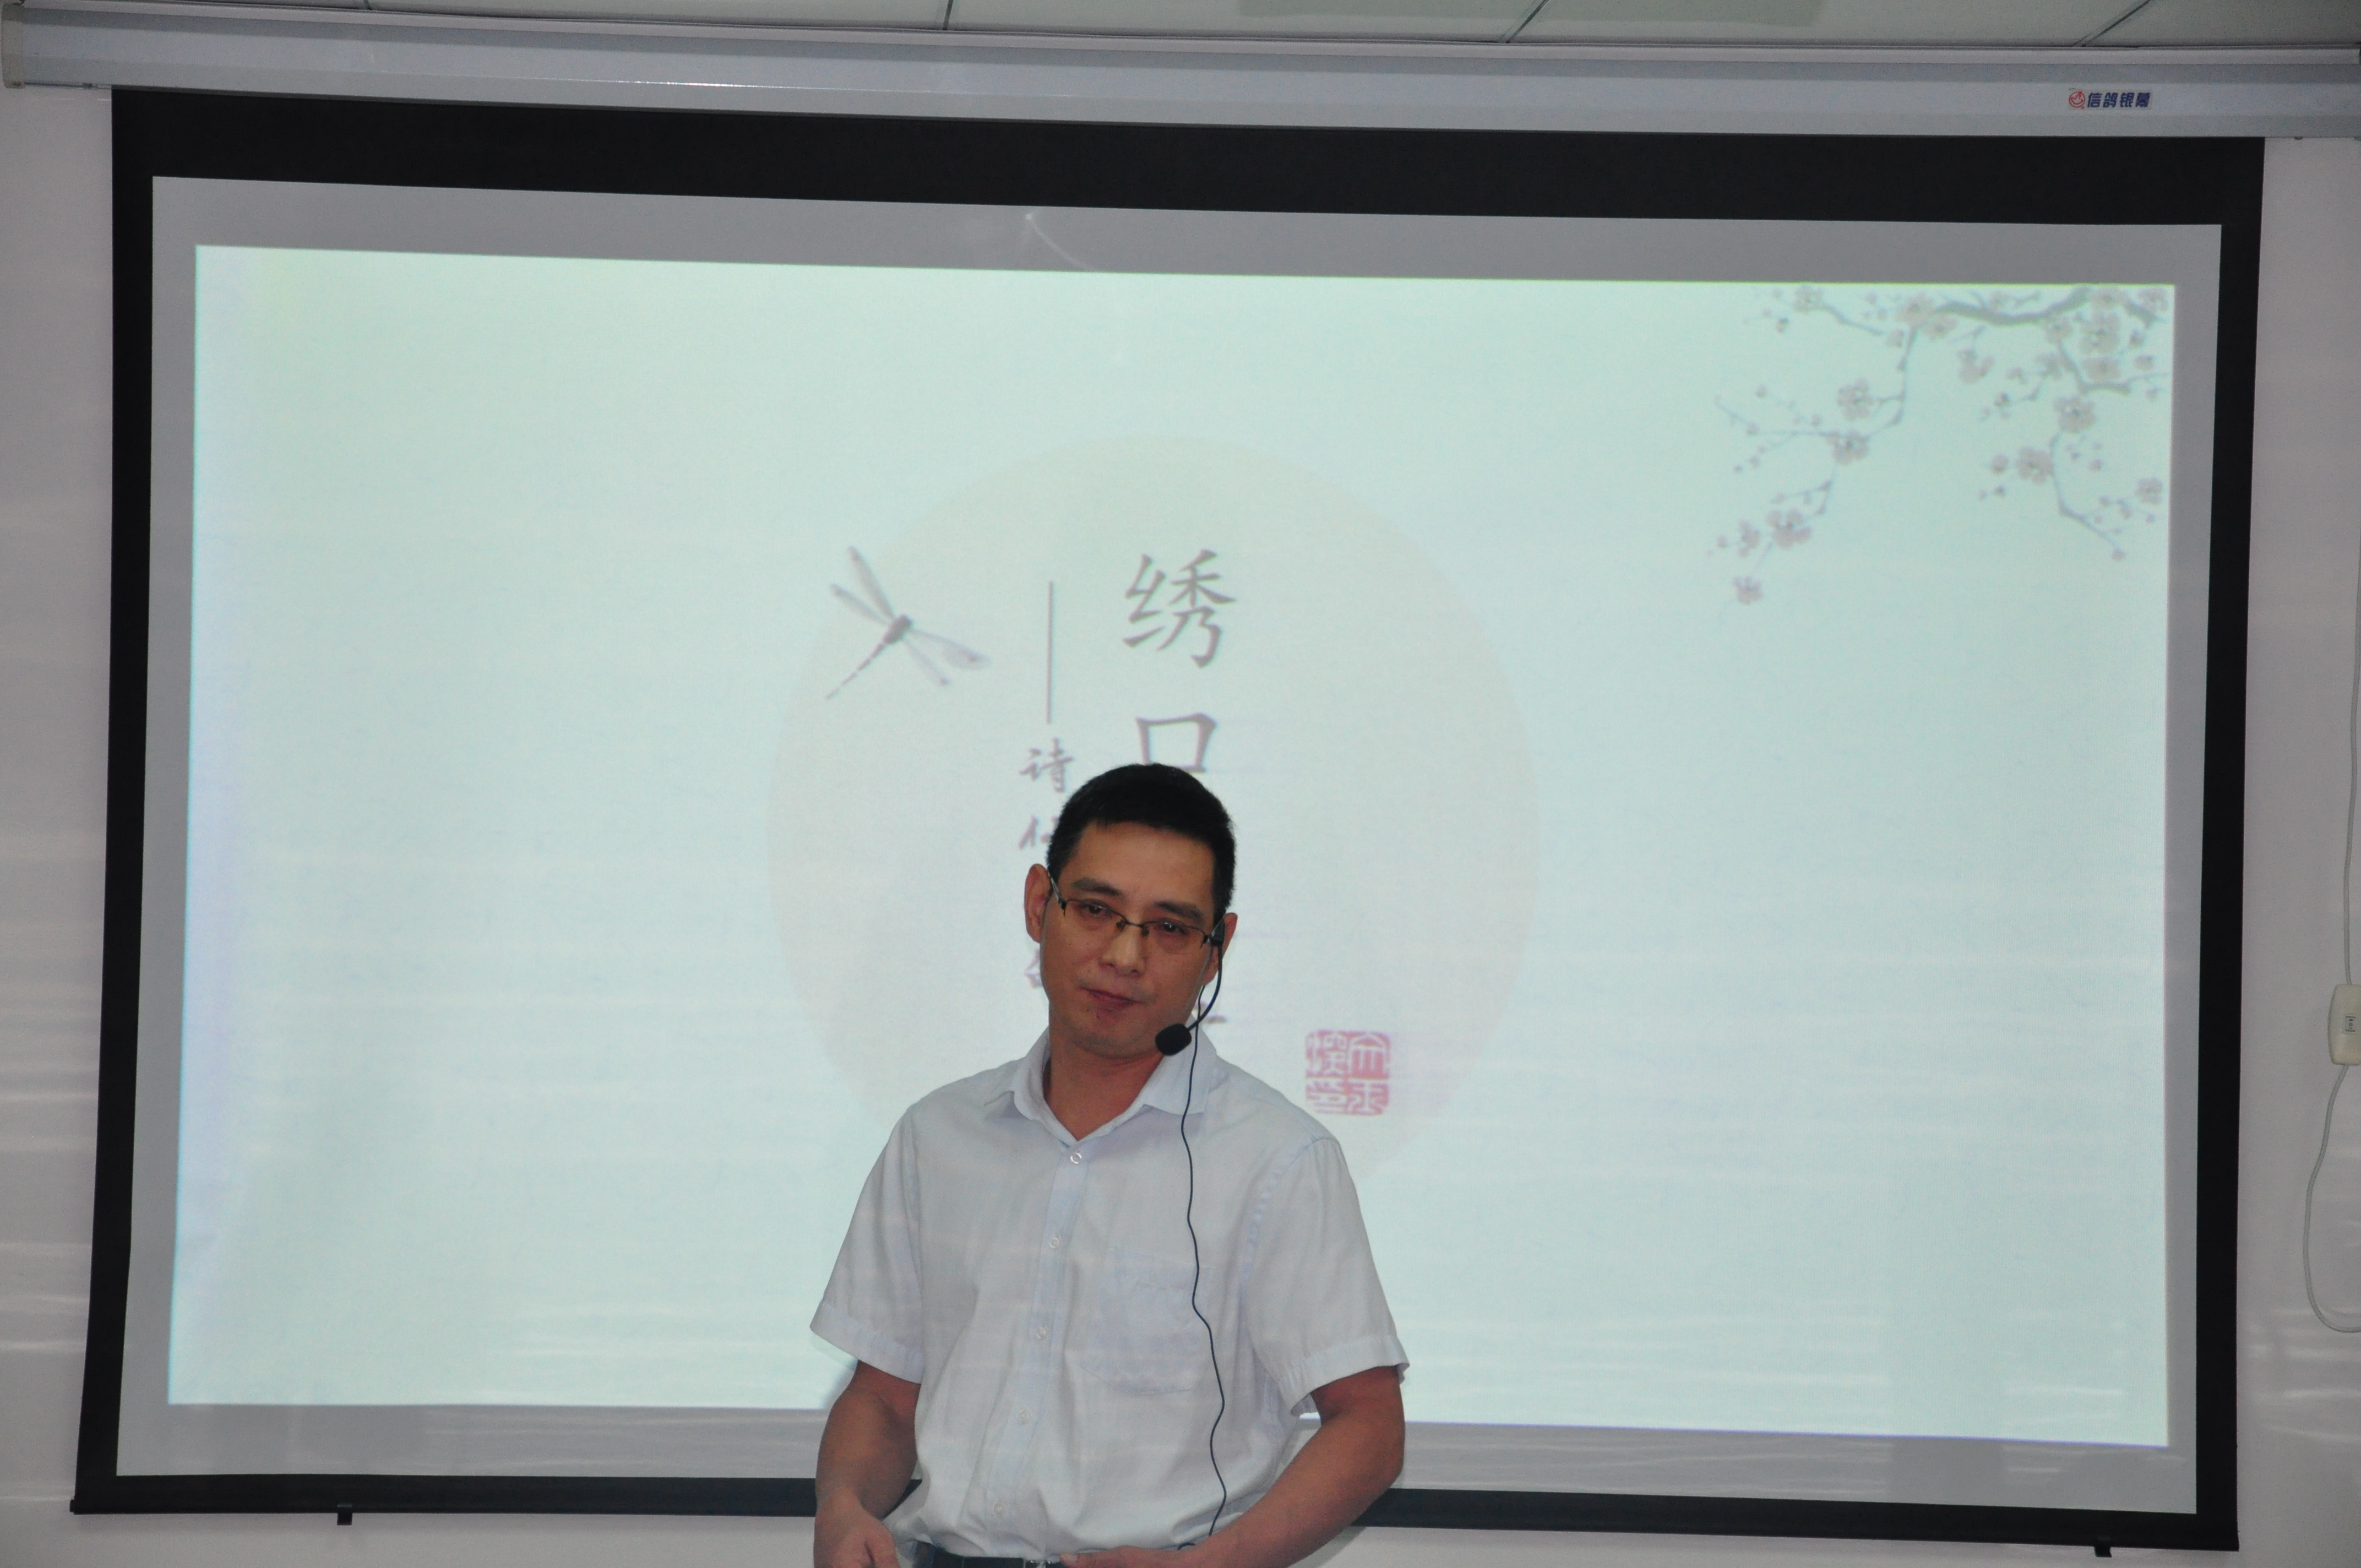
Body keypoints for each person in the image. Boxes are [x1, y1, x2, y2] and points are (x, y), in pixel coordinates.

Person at [811, 764, 1406, 1568]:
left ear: (1217, 949)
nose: (1125, 955)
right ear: (1039, 904)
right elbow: (884, 1397)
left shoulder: (1279, 1159)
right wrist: (843, 1508)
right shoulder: (938, 1137)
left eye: (1169, 928)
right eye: (1095, 910)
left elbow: (1369, 1424)